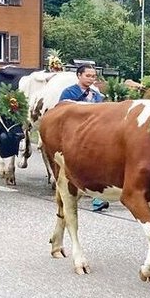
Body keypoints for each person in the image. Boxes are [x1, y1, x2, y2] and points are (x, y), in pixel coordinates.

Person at [58, 64, 108, 211]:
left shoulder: (96, 95)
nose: (91, 79)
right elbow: (62, 113)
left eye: (93, 76)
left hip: (93, 136)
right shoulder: (68, 93)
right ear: (79, 76)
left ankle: (98, 197)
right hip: (74, 135)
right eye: (88, 75)